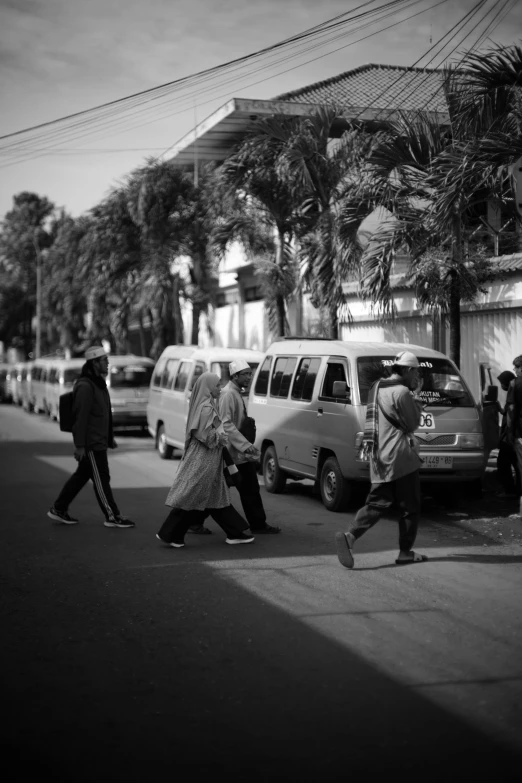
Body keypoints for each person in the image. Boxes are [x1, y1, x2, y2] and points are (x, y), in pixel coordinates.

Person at [335, 350, 428, 568]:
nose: (415, 377)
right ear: (407, 370)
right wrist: (416, 400)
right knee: (410, 506)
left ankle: (350, 536)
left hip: (379, 455)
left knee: (377, 503)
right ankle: (405, 552)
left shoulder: (377, 387)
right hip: (401, 457)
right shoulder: (402, 392)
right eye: (414, 372)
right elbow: (413, 424)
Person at [156, 372, 255, 547]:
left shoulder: (206, 405)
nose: (219, 388)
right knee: (192, 495)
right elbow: (207, 438)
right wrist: (223, 437)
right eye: (216, 385)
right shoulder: (206, 409)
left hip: (208, 458)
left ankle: (234, 532)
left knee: (214, 497)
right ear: (208, 388)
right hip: (204, 459)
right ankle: (170, 533)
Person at [47, 346, 135, 528]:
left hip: (98, 441)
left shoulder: (98, 384)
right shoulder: (86, 386)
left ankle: (58, 508)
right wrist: (80, 445)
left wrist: (109, 438)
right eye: (104, 360)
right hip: (91, 444)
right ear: (94, 363)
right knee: (102, 479)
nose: (108, 363)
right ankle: (112, 516)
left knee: (81, 476)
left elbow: (103, 416)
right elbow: (81, 418)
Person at [218, 359, 281, 534]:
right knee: (218, 491)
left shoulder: (235, 393)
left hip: (238, 454)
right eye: (245, 374)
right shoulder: (228, 394)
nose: (249, 377)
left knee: (249, 489)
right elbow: (226, 425)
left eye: (250, 374)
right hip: (231, 454)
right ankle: (192, 520)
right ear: (235, 375)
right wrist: (246, 446)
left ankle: (258, 524)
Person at [496, 370, 519, 498]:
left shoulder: (514, 391)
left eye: (502, 383)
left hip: (510, 435)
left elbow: (512, 412)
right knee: (513, 463)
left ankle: (510, 491)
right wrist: (501, 410)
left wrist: (508, 434)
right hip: (509, 434)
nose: (502, 386)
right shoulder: (513, 391)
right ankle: (513, 490)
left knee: (504, 463)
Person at [506, 355, 522, 516]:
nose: (514, 371)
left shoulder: (515, 383)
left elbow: (511, 409)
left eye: (516, 368)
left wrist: (509, 432)